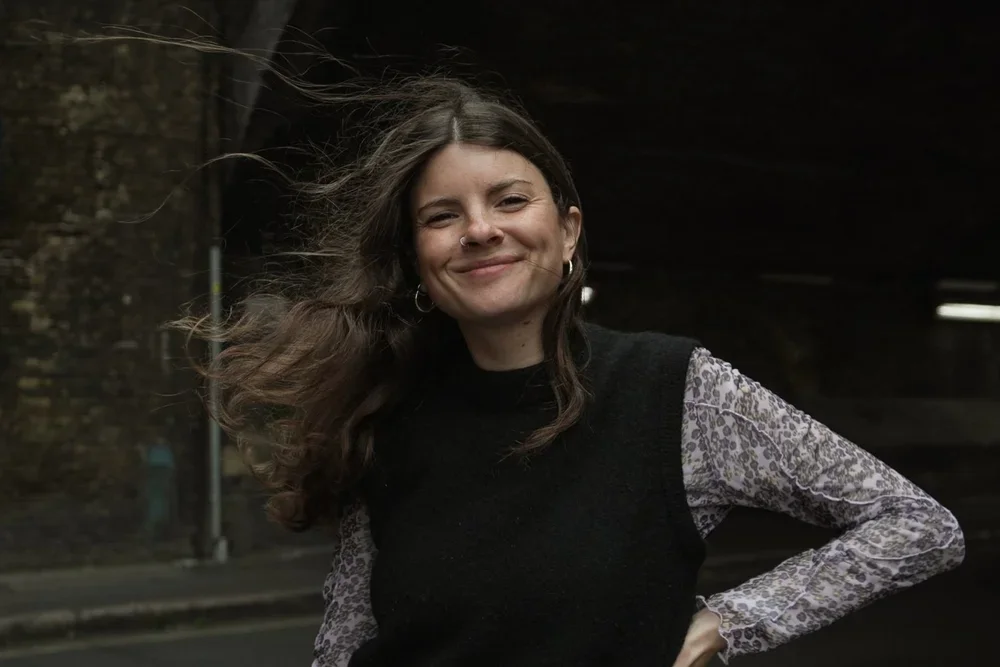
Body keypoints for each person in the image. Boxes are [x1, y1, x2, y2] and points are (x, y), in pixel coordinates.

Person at [188, 76, 964, 666]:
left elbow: (918, 526)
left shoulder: (677, 389)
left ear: (566, 233)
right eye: (441, 215)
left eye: (509, 199)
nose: (480, 230)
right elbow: (351, 635)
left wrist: (727, 621)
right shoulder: (388, 412)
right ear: (418, 265)